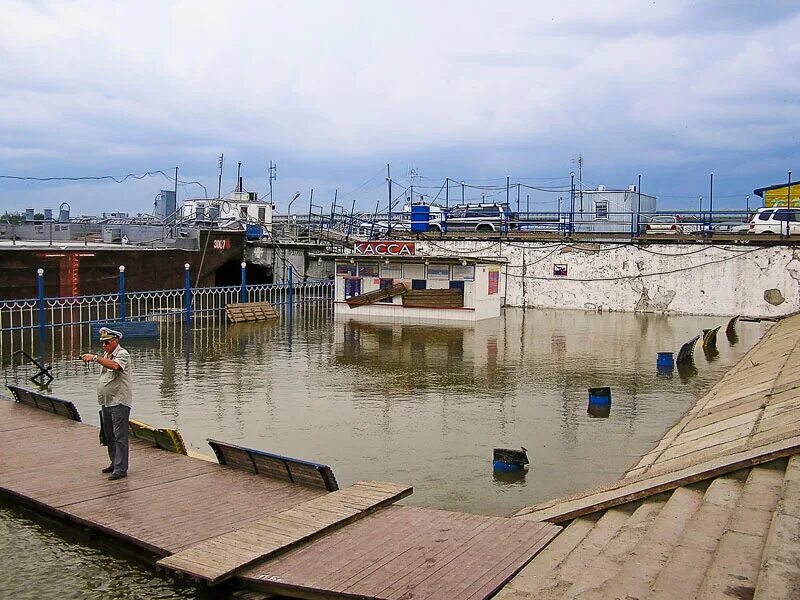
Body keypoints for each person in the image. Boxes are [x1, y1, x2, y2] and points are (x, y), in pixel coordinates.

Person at [82, 327, 133, 480]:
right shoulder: (107, 354)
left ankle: (121, 468)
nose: (104, 345)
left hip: (119, 402)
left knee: (120, 436)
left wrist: (95, 358)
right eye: (102, 343)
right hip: (106, 402)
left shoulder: (122, 354)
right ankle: (114, 462)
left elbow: (116, 367)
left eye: (107, 342)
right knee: (109, 435)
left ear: (115, 341)